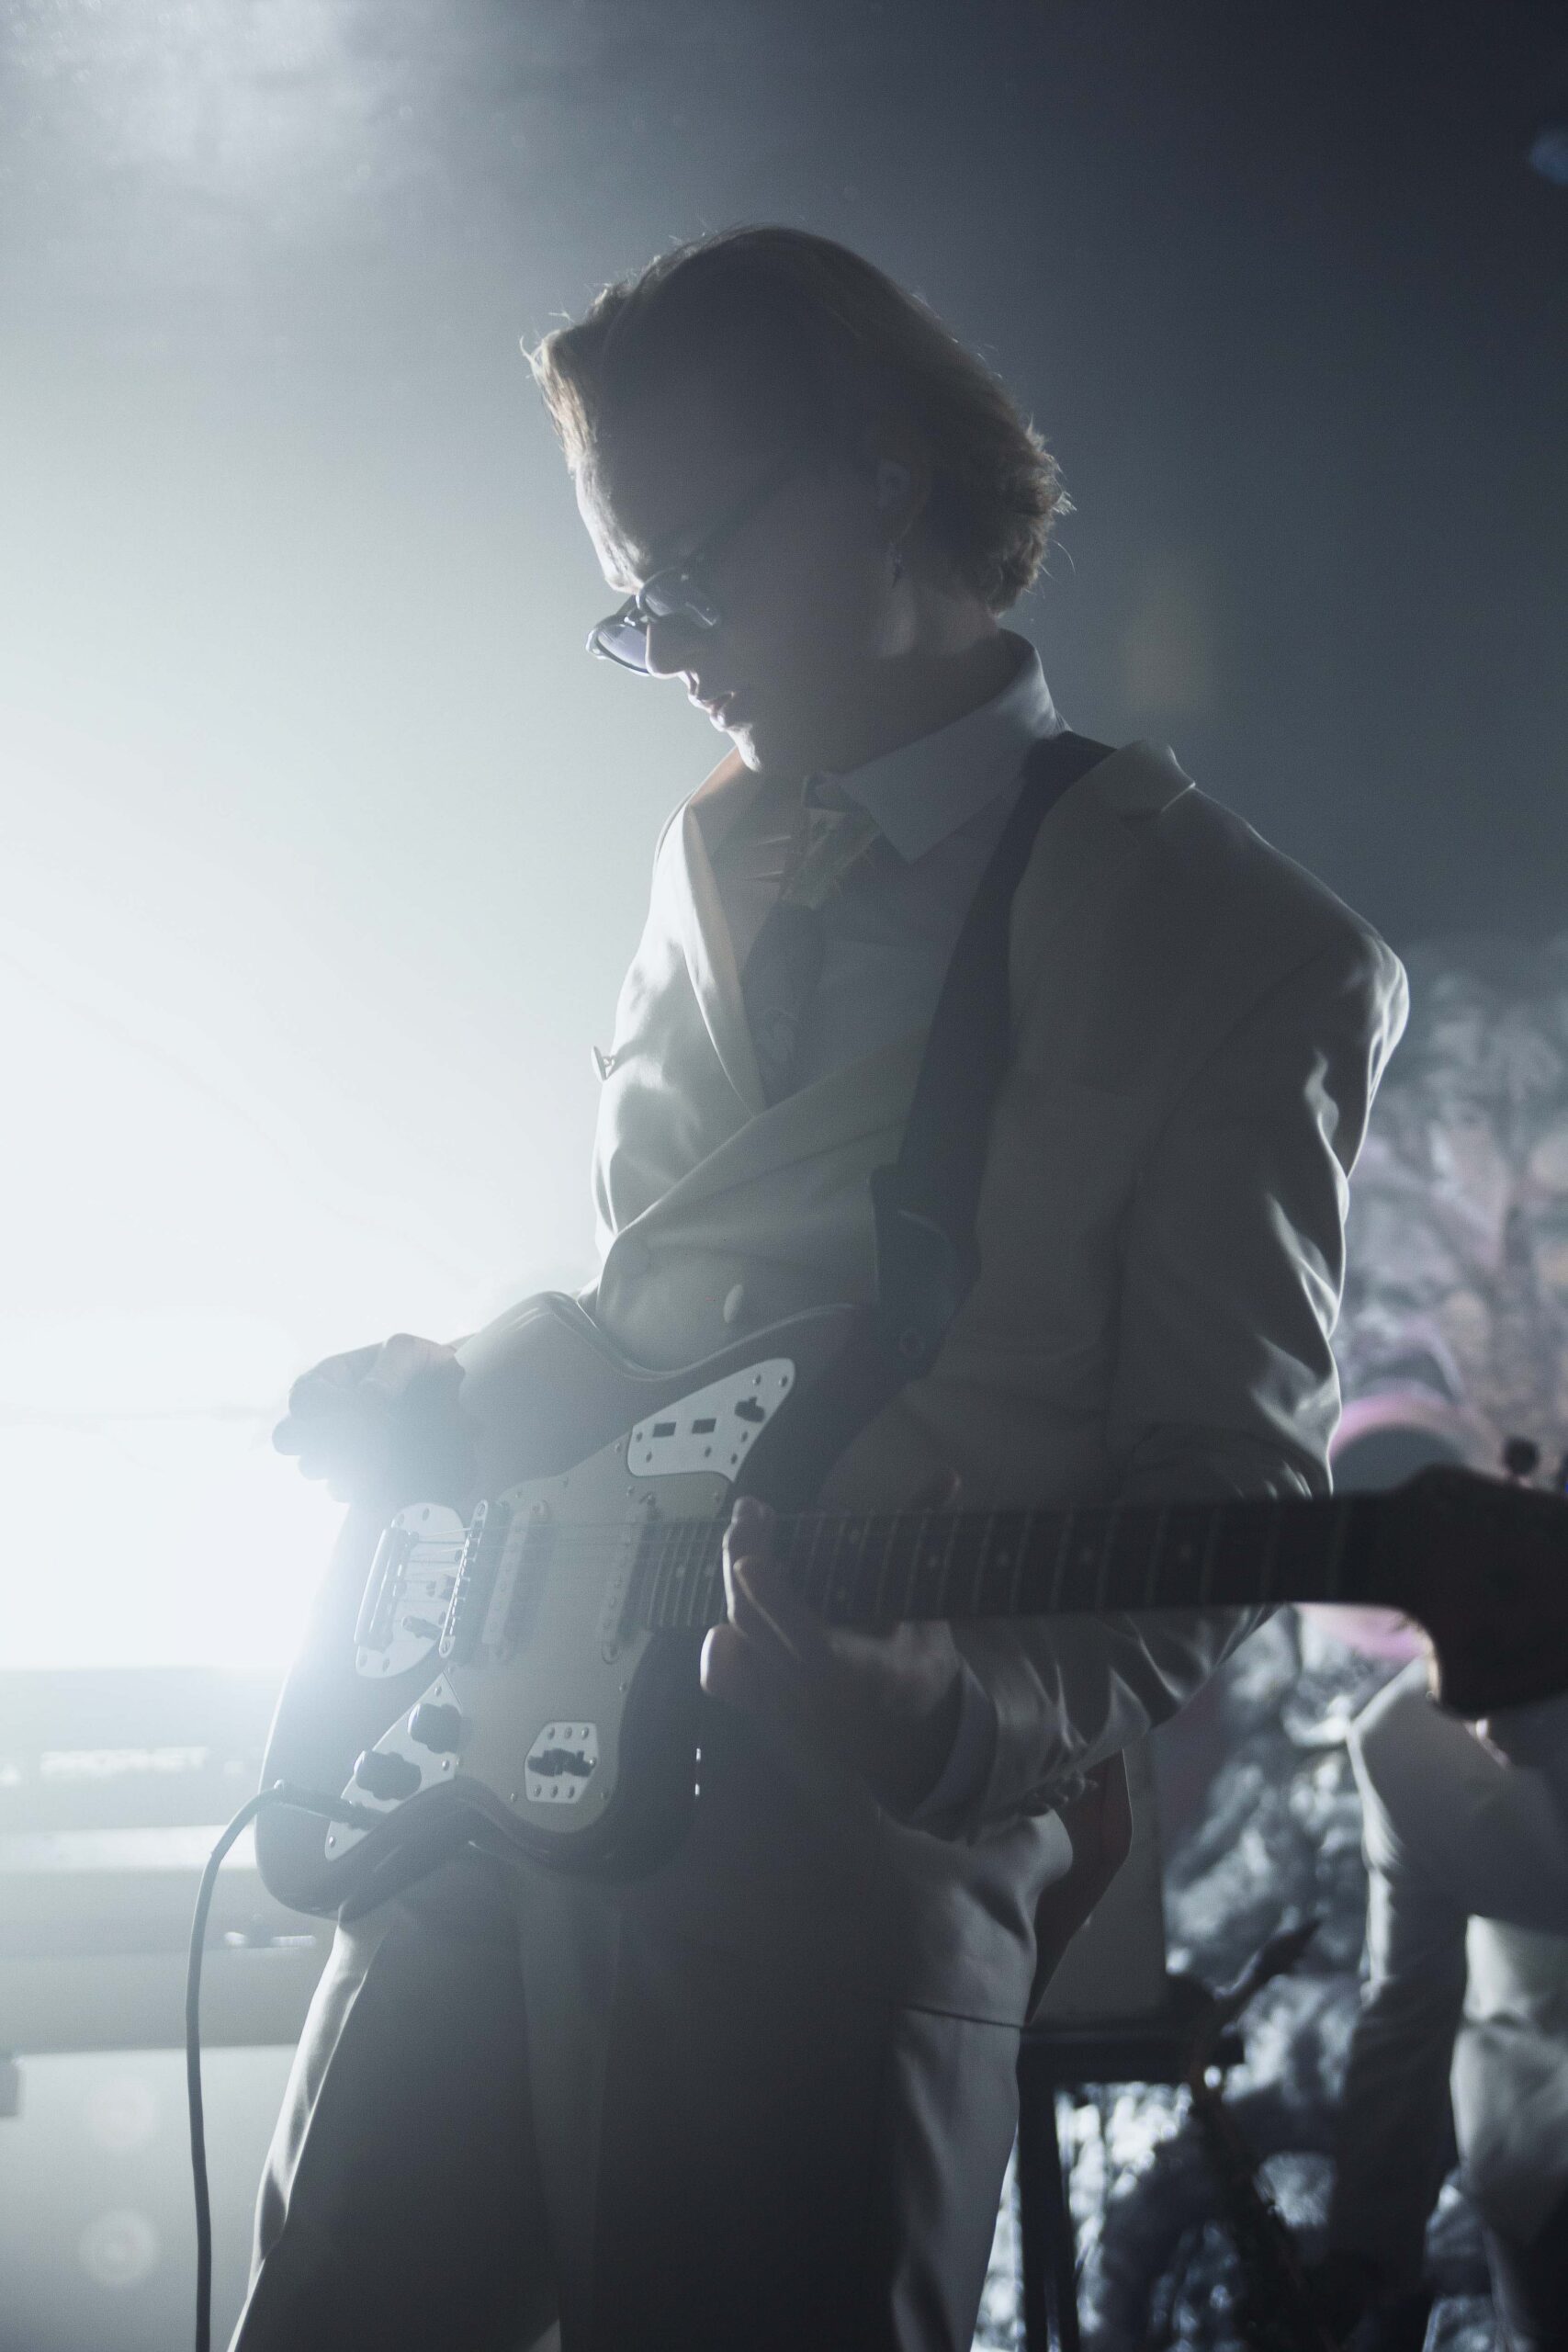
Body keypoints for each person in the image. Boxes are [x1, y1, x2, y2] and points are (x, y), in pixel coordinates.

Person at [235, 227, 1407, 2352]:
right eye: (634, 602)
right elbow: (648, 1314)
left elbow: (1213, 1500)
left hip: (829, 1857)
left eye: (692, 565)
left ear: (881, 477)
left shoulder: (1241, 949)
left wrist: (944, 1717)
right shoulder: (701, 852)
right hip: (501, 1767)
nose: (672, 647)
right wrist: (458, 1388)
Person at [1317, 1660, 1568, 2351]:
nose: (1472, 1710)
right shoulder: (1404, 1744)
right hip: (1538, 2149)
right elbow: (1407, 2006)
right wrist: (1361, 2250)